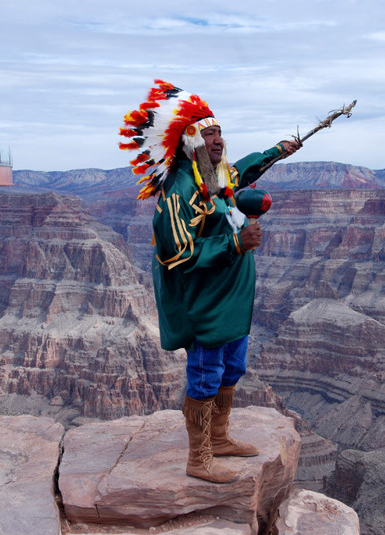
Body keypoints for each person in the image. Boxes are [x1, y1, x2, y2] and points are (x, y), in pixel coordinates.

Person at [120, 80, 300, 483]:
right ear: (189, 141)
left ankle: (219, 437)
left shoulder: (214, 175)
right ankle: (198, 458)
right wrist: (235, 243)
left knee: (232, 369)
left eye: (219, 132)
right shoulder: (179, 192)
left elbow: (243, 169)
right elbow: (176, 254)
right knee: (205, 373)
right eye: (209, 133)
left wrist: (277, 150)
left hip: (232, 297)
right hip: (205, 302)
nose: (218, 139)